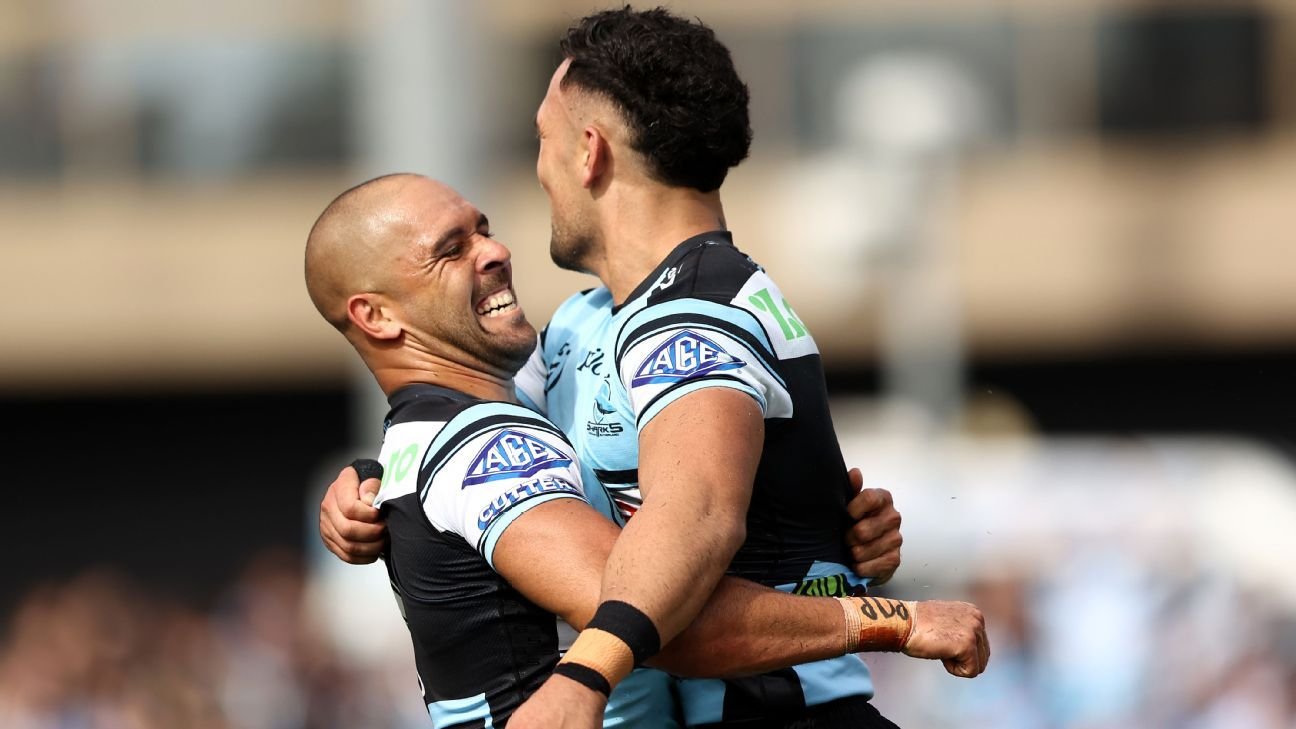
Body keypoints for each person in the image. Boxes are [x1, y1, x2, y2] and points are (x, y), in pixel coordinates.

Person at [320, 7, 989, 727]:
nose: (536, 175)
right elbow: (463, 427)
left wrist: (586, 673)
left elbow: (695, 519)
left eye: (541, 140)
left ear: (589, 153)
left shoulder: (689, 320)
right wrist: (373, 481)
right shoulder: (587, 322)